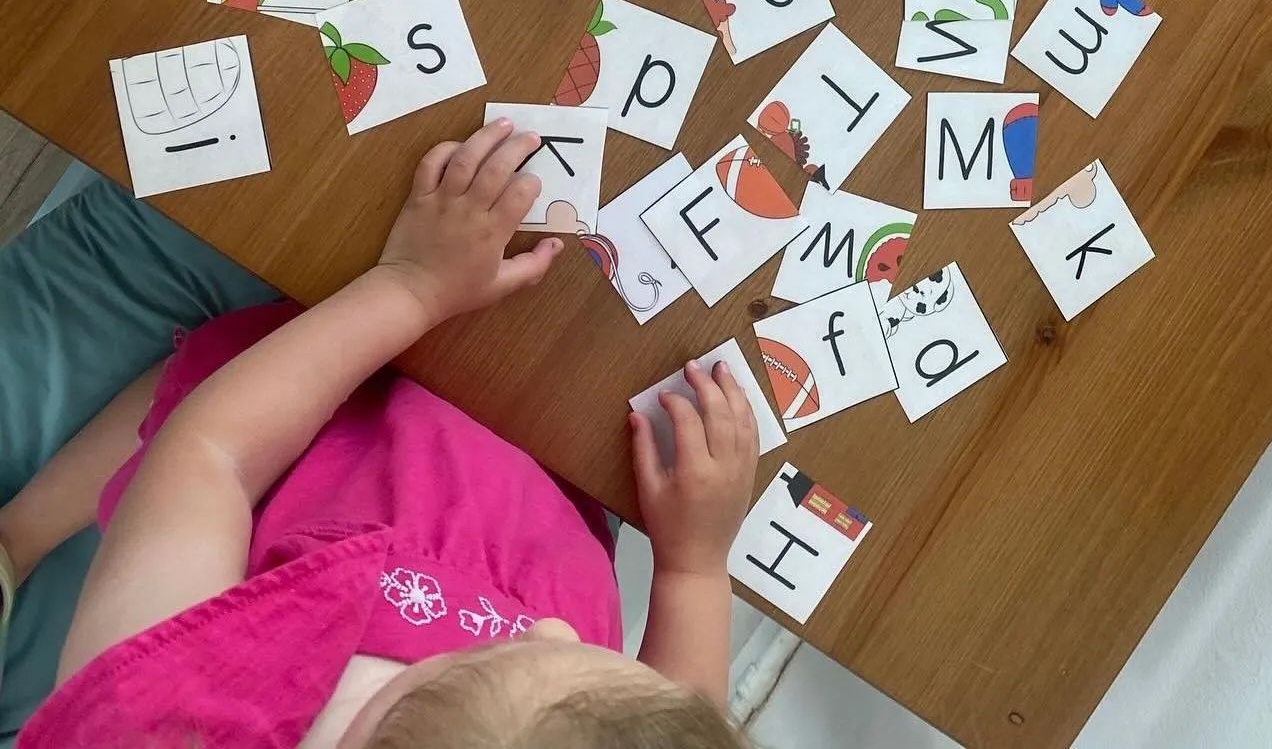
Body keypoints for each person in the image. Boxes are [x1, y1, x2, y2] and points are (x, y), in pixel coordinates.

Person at [2, 119, 762, 746]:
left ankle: (17, 537)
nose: (561, 630)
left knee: (177, 418)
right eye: (600, 660)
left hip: (310, 411)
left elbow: (209, 453)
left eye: (503, 652)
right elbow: (673, 702)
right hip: (545, 471)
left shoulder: (158, 714)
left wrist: (411, 286)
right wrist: (693, 566)